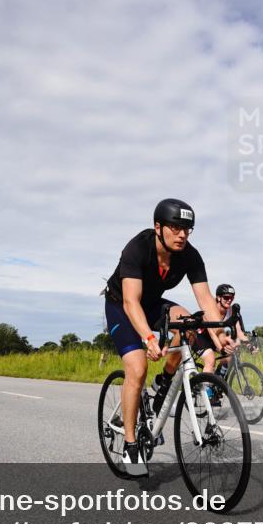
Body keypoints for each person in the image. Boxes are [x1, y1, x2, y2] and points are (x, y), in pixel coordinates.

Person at [103, 199, 236, 477]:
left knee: (188, 324)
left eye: (187, 229)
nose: (182, 235)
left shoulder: (190, 255)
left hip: (152, 304)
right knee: (137, 368)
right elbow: (130, 301)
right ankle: (130, 445)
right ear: (158, 227)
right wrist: (149, 338)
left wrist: (219, 334)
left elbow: (205, 300)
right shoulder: (138, 248)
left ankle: (164, 382)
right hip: (121, 306)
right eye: (175, 228)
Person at [191, 284, 251, 379]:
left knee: (229, 354)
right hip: (199, 336)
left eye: (232, 298)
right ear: (218, 298)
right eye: (226, 297)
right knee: (211, 360)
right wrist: (221, 349)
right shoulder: (209, 310)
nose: (229, 300)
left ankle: (218, 380)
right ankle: (206, 386)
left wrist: (249, 345)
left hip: (214, 338)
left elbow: (239, 332)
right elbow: (212, 334)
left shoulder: (230, 311)